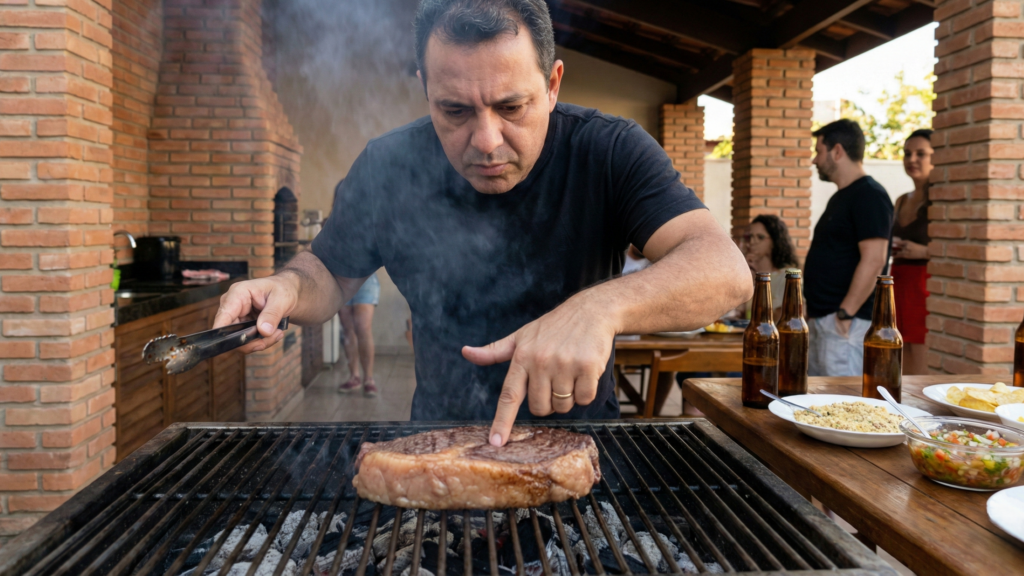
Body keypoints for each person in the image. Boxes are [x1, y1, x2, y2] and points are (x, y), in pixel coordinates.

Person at [212, 0, 751, 446]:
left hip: (580, 444)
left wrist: (600, 307)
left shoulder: (608, 150)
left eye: (512, 106)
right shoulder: (388, 165)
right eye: (455, 111)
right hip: (438, 440)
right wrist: (284, 287)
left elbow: (725, 270)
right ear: (425, 87)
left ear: (554, 83)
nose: (487, 141)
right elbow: (329, 275)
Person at [803, 119, 893, 377]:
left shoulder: (870, 195)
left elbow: (875, 259)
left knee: (839, 404)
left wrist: (845, 314)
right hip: (826, 321)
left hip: (844, 325)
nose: (815, 160)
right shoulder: (841, 196)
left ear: (838, 151)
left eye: (818, 151)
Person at [891, 129, 933, 375]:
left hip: (923, 285)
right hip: (898, 281)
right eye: (907, 153)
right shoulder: (901, 200)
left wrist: (924, 251)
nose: (912, 159)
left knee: (920, 353)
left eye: (921, 154)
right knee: (898, 348)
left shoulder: (941, 199)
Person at [742, 214, 799, 320]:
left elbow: (786, 317)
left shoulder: (787, 276)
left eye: (760, 237)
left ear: (774, 241)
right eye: (750, 237)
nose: (752, 242)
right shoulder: (749, 272)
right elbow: (739, 314)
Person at [338, 272, 381, 396]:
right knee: (347, 329)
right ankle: (354, 377)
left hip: (366, 280)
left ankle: (368, 379)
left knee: (363, 328)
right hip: (340, 281)